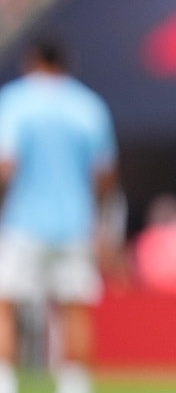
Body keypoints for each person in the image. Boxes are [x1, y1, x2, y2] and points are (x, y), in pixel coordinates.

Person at [0, 38, 121, 393]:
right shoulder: (88, 105)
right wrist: (102, 226)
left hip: (24, 223)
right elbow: (104, 176)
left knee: (6, 304)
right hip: (75, 225)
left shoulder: (15, 101)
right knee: (74, 308)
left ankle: (5, 382)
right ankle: (74, 386)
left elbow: (6, 164)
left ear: (31, 61)